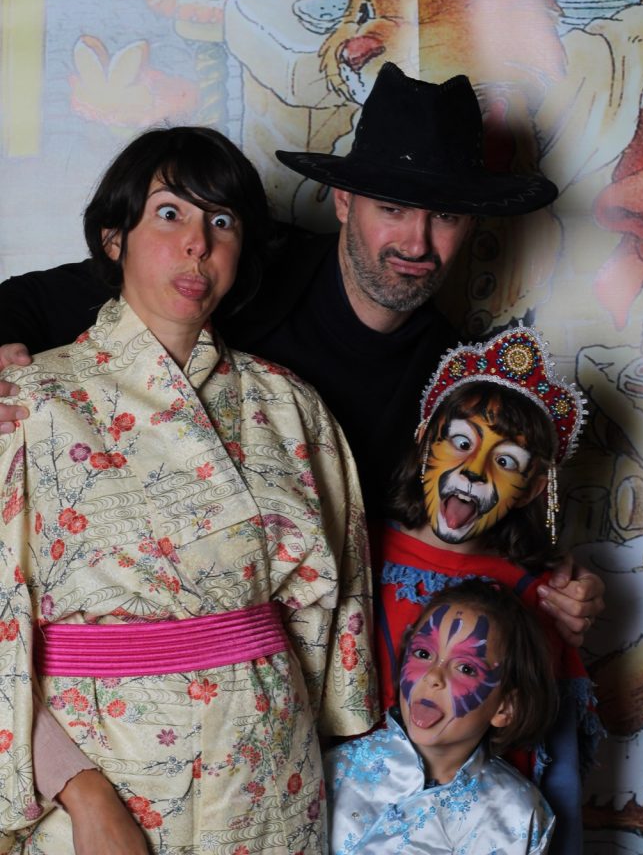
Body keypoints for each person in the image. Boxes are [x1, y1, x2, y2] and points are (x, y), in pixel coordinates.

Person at [0, 62, 603, 646]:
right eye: (392, 208)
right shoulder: (236, 269)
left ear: (471, 225)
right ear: (343, 201)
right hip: (132, 621)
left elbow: (461, 521)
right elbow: (37, 299)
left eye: (444, 215)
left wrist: (554, 583)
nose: (417, 242)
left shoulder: (452, 382)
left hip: (313, 647)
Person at [0, 127, 377, 854]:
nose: (198, 244)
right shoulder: (28, 402)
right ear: (115, 238)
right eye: (170, 213)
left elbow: (335, 627)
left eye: (222, 221)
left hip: (270, 781)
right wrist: (78, 789)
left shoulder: (292, 407)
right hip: (96, 777)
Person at [377, 324, 602, 854]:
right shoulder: (356, 550)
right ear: (425, 439)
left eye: (505, 461)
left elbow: (556, 765)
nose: (474, 470)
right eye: (460, 443)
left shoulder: (543, 594)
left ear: (533, 488)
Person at [325, 578, 557, 854]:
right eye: (423, 653)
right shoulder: (336, 771)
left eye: (466, 668)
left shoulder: (518, 814)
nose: (433, 675)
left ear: (505, 708)